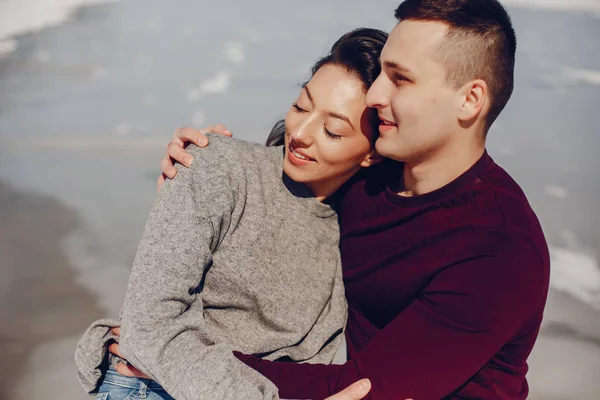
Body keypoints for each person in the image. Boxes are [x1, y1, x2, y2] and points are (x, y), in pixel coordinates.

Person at [113, 0, 551, 399]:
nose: (376, 95)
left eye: (400, 79)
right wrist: (205, 165)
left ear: (470, 100)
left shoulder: (501, 248)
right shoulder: (371, 178)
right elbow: (289, 177)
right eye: (381, 73)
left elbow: (358, 388)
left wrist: (176, 357)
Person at [74, 28, 388, 400]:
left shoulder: (363, 223)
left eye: (333, 130)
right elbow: (150, 325)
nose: (300, 132)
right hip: (152, 389)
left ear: (373, 152)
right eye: (301, 106)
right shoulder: (216, 164)